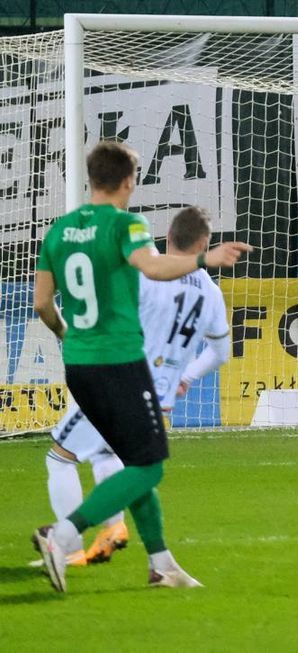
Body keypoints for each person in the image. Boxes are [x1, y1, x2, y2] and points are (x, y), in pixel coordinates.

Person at [31, 141, 250, 592]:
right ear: (129, 181)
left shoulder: (57, 232)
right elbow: (150, 267)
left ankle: (162, 564)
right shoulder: (129, 224)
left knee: (133, 461)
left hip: (81, 364)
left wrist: (67, 336)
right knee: (148, 467)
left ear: (91, 179)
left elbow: (42, 305)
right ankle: (63, 537)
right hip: (120, 364)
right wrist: (205, 260)